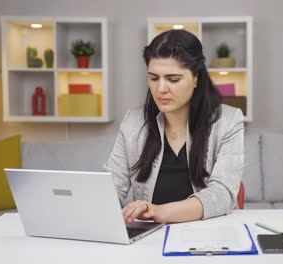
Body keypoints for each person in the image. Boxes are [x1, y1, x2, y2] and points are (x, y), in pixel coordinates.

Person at [104, 29, 244, 224]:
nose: (161, 89)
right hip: (149, 239)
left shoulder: (228, 121)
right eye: (153, 78)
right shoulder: (133, 122)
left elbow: (222, 195)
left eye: (173, 79)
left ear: (196, 78)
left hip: (209, 236)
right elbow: (111, 187)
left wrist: (158, 211)